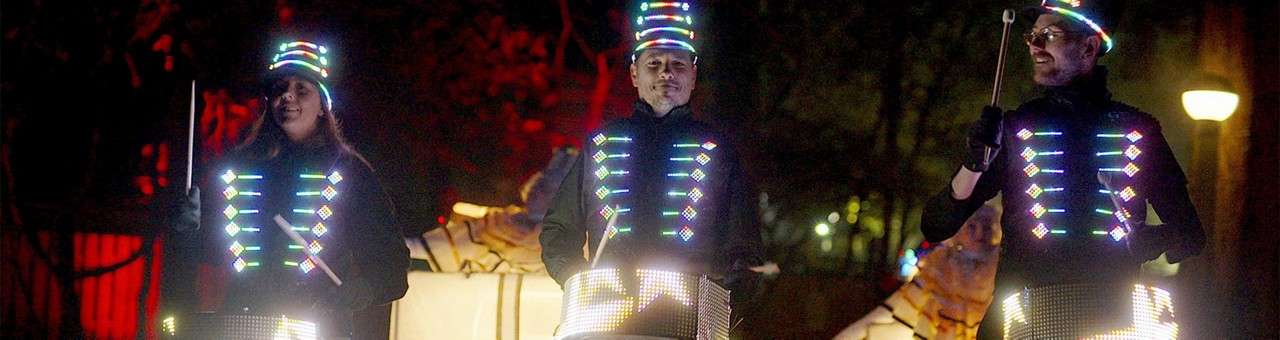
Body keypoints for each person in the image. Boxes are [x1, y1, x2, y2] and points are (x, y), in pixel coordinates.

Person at [921, 1, 1205, 338]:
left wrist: (1155, 238)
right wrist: (973, 165)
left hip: (1108, 322)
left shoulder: (1138, 129)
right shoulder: (1013, 128)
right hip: (1021, 325)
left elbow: (1191, 236)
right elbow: (936, 224)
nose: (1034, 45)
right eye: (1032, 36)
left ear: (1089, 47)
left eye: (1050, 35)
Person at [539, 0, 765, 325]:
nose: (666, 73)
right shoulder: (601, 143)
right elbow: (559, 229)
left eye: (678, 64)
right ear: (634, 73)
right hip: (604, 317)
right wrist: (579, 281)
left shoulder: (718, 150)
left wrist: (723, 305)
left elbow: (744, 248)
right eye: (654, 63)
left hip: (689, 321)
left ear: (693, 74)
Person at [175, 40, 408, 339]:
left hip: (317, 327)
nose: (287, 95)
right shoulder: (239, 167)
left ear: (323, 106)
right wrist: (187, 230)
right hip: (242, 328)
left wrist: (359, 291)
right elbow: (211, 253)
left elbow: (392, 265)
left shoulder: (350, 173)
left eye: (302, 89)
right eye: (280, 88)